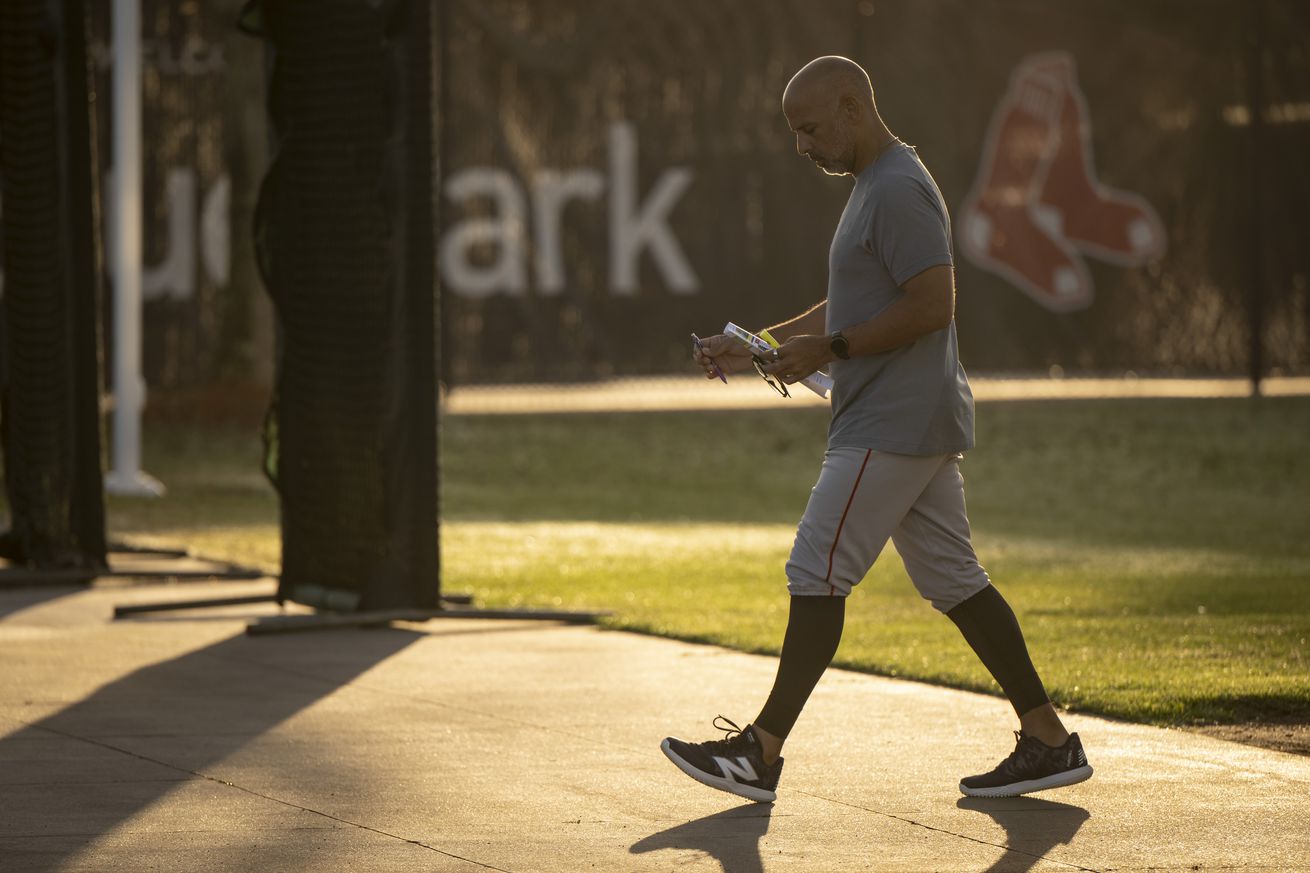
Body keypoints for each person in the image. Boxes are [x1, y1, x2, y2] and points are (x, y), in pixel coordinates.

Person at [662, 56, 1092, 802]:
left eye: (810, 128)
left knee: (816, 569)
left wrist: (828, 352)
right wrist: (761, 342)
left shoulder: (895, 187)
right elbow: (853, 303)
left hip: (890, 422)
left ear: (853, 107)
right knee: (956, 581)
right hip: (908, 417)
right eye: (794, 133)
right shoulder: (875, 186)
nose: (802, 145)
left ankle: (758, 753)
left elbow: (934, 304)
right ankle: (1050, 739)